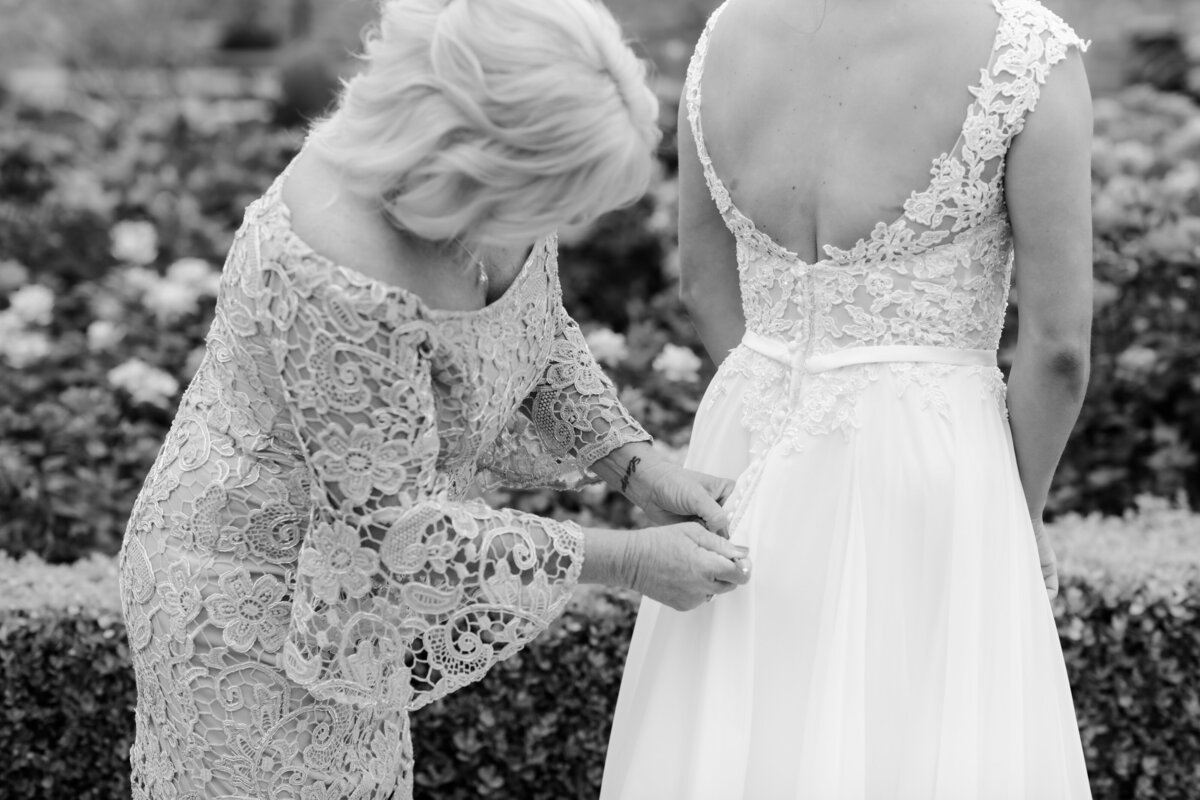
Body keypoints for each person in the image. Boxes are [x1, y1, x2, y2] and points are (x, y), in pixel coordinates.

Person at [117, 1, 751, 798]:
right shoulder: (333, 270)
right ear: (478, 159)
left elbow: (533, 327)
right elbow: (396, 527)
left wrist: (634, 464)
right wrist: (626, 560)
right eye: (561, 206)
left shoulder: (482, 177)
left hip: (344, 596)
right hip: (244, 600)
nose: (571, 227)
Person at [603, 0, 1094, 796]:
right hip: (932, 466)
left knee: (740, 739)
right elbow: (1060, 350)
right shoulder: (1025, 50)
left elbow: (701, 280)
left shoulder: (728, 29)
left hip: (745, 449)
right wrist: (1019, 510)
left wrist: (796, 420)